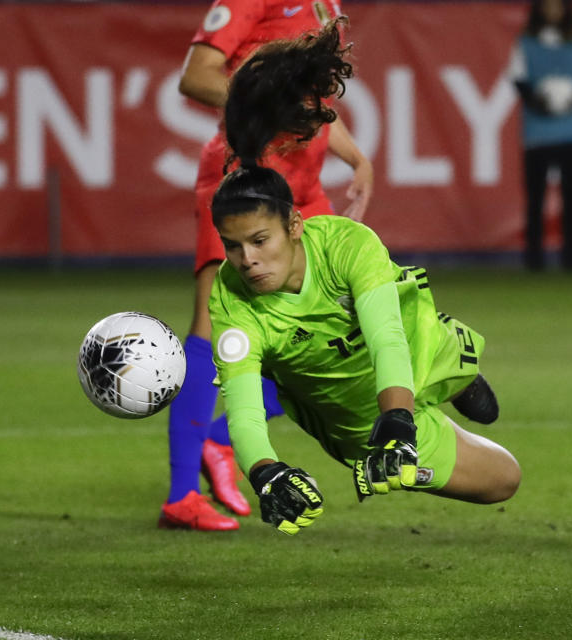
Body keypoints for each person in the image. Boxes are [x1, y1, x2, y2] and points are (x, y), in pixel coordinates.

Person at [208, 22, 521, 536]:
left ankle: (454, 372)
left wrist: (396, 417)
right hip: (351, 412)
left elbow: (385, 336)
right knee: (504, 479)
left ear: (294, 225)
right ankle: (406, 455)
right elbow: (242, 406)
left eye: (260, 242)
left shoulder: (347, 244)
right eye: (233, 247)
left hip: (413, 350)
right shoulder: (232, 299)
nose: (247, 260)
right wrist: (264, 472)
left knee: (457, 377)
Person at [160, 0, 374, 532]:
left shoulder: (326, 3)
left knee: (343, 330)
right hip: (248, 176)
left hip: (305, 187)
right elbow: (197, 76)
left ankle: (221, 439)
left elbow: (309, 97)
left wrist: (354, 155)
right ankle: (182, 493)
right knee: (214, 328)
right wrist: (264, 109)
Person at [508, 0, 572, 271]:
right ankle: (534, 259)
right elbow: (518, 79)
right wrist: (539, 103)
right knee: (535, 198)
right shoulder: (526, 41)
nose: (552, 11)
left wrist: (571, 101)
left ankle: (571, 258)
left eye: (557, 6)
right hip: (537, 132)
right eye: (547, 6)